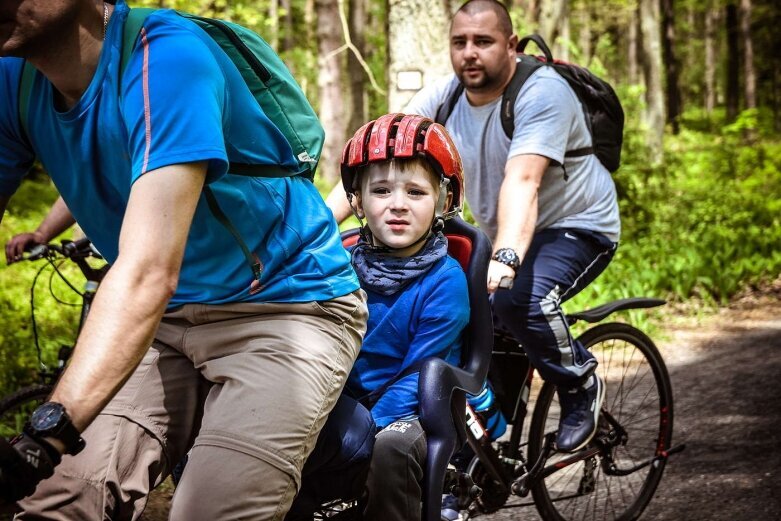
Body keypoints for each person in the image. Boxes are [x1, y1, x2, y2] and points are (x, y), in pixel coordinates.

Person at [0, 1, 367, 520]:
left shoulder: (167, 59)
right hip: (165, 321)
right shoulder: (12, 82)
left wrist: (47, 435)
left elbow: (148, 271)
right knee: (62, 504)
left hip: (286, 307)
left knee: (208, 511)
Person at [329, 0, 620, 455]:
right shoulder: (443, 96)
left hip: (576, 226)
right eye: (459, 42)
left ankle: (578, 381)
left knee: (519, 297)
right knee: (475, 316)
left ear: (510, 45)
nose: (470, 53)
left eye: (483, 42)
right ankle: (487, 436)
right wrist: (313, 233)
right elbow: (381, 151)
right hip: (509, 223)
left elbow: (523, 180)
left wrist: (504, 257)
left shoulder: (543, 93)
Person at [340, 113, 470, 521]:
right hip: (344, 402)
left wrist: (363, 430)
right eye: (381, 190)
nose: (397, 204)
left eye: (415, 192)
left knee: (390, 451)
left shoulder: (444, 281)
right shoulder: (341, 266)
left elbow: (419, 377)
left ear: (444, 201)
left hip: (415, 411)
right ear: (358, 201)